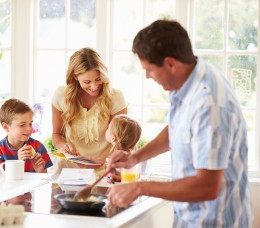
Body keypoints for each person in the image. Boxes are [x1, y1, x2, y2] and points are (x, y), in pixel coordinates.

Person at [107, 19, 253, 227]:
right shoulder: (189, 79)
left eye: (149, 69)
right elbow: (179, 128)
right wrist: (135, 158)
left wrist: (139, 187)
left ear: (170, 63)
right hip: (190, 218)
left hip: (215, 221)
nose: (147, 76)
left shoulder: (209, 105)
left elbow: (207, 187)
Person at [52, 47, 127, 175]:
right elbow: (56, 135)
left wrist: (101, 160)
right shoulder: (61, 95)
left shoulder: (115, 98)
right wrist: (63, 146)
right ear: (75, 76)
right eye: (87, 82)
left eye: (98, 79)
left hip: (105, 170)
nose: (94, 86)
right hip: (68, 171)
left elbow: (121, 139)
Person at [0, 98, 53, 173]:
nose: (29, 129)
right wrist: (19, 163)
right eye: (22, 125)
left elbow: (44, 181)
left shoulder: (38, 147)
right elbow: (0, 182)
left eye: (30, 123)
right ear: (6, 127)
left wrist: (40, 171)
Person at [105, 114, 142, 182]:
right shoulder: (133, 159)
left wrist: (108, 178)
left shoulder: (114, 160)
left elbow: (111, 181)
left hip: (119, 190)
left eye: (108, 128)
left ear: (113, 138)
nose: (106, 130)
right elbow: (137, 177)